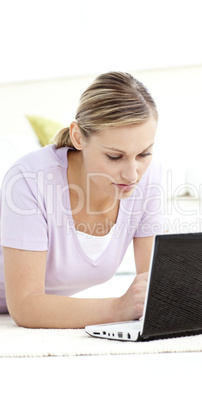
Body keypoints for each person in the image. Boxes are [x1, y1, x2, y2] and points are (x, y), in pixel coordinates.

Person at [0, 71, 164, 328]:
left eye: (144, 154)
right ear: (78, 137)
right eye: (114, 156)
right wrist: (118, 307)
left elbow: (156, 285)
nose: (132, 174)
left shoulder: (148, 178)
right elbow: (24, 305)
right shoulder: (29, 179)